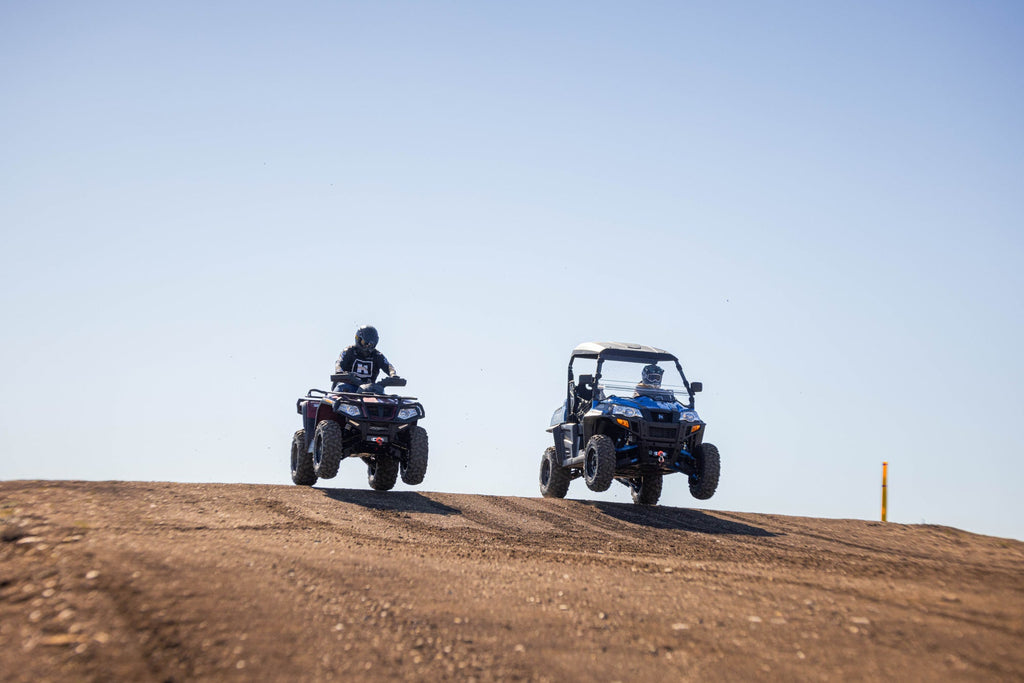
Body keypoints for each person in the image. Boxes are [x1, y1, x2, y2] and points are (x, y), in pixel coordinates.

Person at [333, 325, 397, 392]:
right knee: (341, 388)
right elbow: (339, 363)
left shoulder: (377, 355)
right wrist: (339, 371)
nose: (367, 347)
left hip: (369, 389)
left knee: (381, 391)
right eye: (365, 343)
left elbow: (388, 366)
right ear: (358, 339)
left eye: (371, 345)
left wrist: (393, 375)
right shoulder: (349, 351)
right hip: (349, 386)